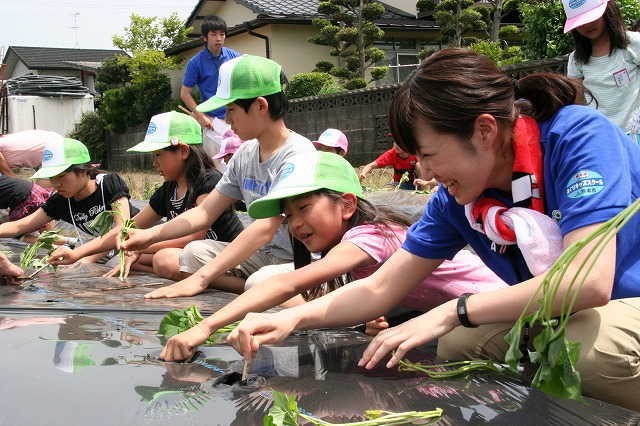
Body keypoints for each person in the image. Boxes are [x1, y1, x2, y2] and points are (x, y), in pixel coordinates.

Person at [226, 48, 640, 412]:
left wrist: (453, 310)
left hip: (624, 298)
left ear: (484, 131)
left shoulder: (577, 138)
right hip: (564, 311)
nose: (425, 173)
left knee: (580, 354)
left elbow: (587, 281)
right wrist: (292, 319)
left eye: (429, 155)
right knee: (458, 344)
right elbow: (379, 288)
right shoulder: (457, 200)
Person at [157, 151, 506, 361]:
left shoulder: (370, 235)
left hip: (495, 303)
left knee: (453, 346)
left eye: (304, 207)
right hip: (436, 308)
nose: (295, 223)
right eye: (288, 214)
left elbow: (289, 283)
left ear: (347, 205)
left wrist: (205, 327)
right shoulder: (345, 248)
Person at [120, 54, 316, 297]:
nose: (227, 119)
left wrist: (202, 277)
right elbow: (204, 212)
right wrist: (150, 235)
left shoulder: (298, 154)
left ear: (260, 106)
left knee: (257, 281)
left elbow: (267, 227)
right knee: (192, 254)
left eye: (231, 109)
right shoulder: (245, 154)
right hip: (263, 254)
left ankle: (272, 290)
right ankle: (264, 291)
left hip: (298, 258)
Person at [48, 112, 244, 280]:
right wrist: (77, 254)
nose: (154, 163)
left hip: (225, 253)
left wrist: (139, 247)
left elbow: (192, 237)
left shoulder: (208, 181)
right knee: (120, 260)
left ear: (183, 151)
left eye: (158, 155)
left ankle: (237, 286)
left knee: (164, 260)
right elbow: (127, 229)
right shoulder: (169, 189)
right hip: (189, 254)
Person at [0, 138, 139, 264]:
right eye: (52, 178)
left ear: (83, 171)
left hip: (137, 240)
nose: (57, 184)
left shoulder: (108, 184)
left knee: (122, 262)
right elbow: (19, 226)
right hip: (109, 250)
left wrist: (82, 257)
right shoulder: (61, 202)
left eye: (62, 176)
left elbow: (122, 229)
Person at [564, 0, 640, 133]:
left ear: (607, 11)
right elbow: (577, 102)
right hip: (601, 133)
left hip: (635, 130)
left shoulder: (632, 42)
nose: (587, 25)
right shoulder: (576, 60)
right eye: (580, 21)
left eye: (592, 17)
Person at [181, 16, 241, 159]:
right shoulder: (195, 62)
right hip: (212, 122)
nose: (218, 38)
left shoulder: (235, 57)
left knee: (241, 159)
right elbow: (185, 94)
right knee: (215, 162)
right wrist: (201, 115)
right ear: (205, 38)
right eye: (213, 34)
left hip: (236, 117)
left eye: (222, 34)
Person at [0, 175, 64, 245]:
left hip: (25, 198)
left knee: (15, 233)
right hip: (34, 190)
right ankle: (68, 242)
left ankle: (54, 247)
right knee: (47, 233)